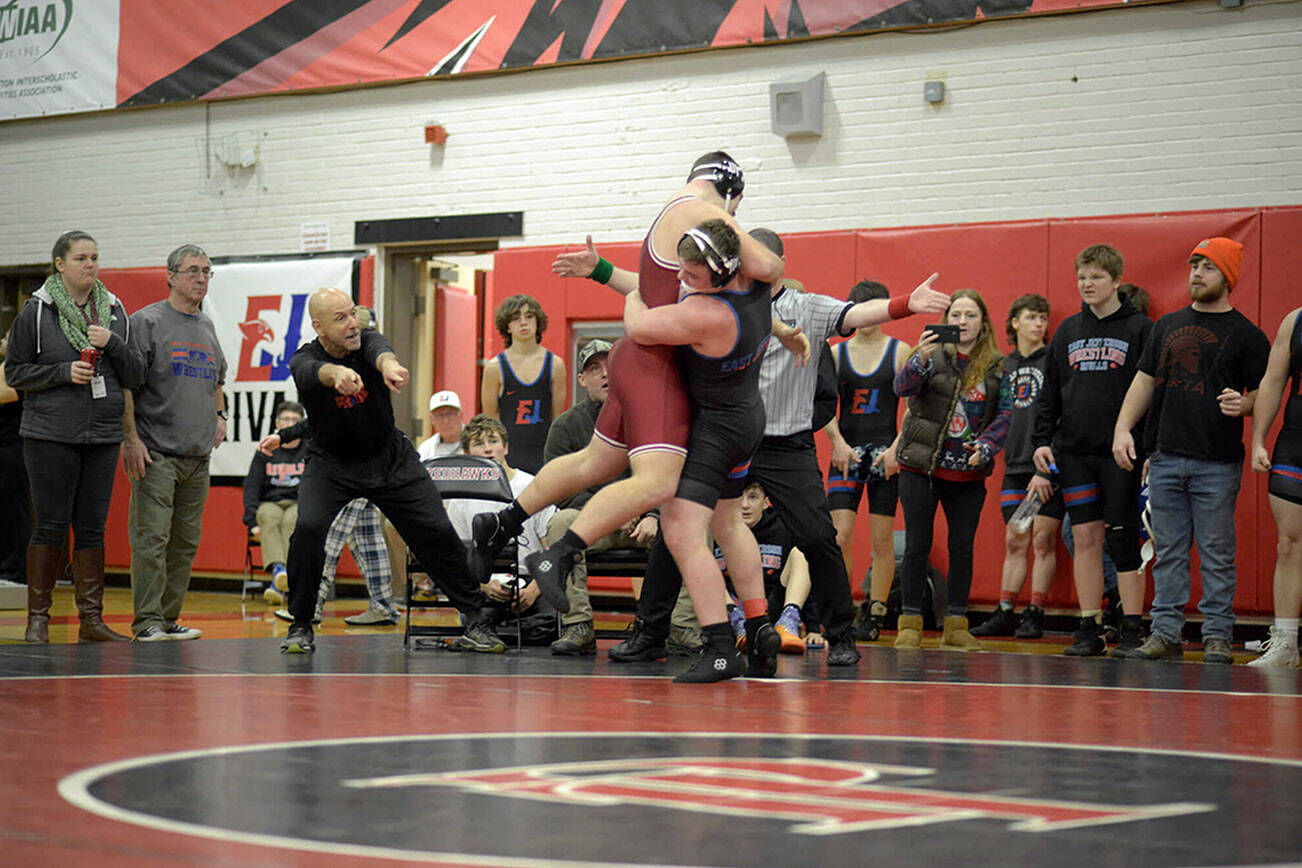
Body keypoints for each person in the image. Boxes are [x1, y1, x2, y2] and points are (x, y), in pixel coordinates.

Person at [592, 228, 949, 669]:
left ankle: (840, 634)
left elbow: (856, 313)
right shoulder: (712, 299)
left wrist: (905, 305)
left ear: (778, 262)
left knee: (819, 536)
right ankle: (651, 633)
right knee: (678, 529)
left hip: (784, 442)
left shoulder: (807, 307)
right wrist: (600, 270)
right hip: (722, 435)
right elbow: (649, 286)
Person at [470, 152, 787, 618]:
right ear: (732, 191)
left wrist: (603, 274)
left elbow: (661, 290)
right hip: (652, 366)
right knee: (656, 483)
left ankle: (501, 522)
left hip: (642, 358)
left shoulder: (683, 218)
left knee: (595, 462)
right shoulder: (705, 214)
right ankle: (557, 556)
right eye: (736, 206)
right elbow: (770, 268)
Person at [279, 287, 502, 654]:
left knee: (434, 529)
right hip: (332, 465)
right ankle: (301, 624)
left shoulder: (366, 340)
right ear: (319, 327)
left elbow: (378, 351)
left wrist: (389, 367)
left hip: (390, 459)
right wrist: (335, 374)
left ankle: (476, 618)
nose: (352, 324)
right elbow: (309, 373)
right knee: (308, 528)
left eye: (352, 314)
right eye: (341, 319)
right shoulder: (305, 359)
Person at [612, 218, 783, 682]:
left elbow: (640, 325)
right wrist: (602, 270)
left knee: (683, 531)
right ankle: (760, 626)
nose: (682, 279)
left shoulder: (707, 314)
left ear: (722, 271)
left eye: (691, 275)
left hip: (716, 429)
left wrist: (631, 296)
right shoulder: (760, 281)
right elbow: (768, 260)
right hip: (747, 416)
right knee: (727, 523)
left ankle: (720, 645)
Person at [1113, 237, 1269, 663]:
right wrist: (1123, 428)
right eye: (1194, 266)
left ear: (1228, 277)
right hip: (1164, 456)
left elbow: (1264, 393)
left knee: (1218, 552)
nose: (1196, 274)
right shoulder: (1166, 326)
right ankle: (1165, 632)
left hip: (1217, 462)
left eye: (1208, 267)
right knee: (1168, 551)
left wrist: (1246, 404)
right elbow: (1144, 380)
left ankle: (1218, 634)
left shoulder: (1247, 335)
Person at [5, 230, 144, 643]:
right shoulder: (36, 312)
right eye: (81, 258)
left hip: (101, 435)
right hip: (49, 434)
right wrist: (62, 373)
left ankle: (91, 620)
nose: (91, 265)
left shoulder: (114, 311)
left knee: (91, 529)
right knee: (48, 526)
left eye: (95, 257)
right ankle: (38, 620)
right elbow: (15, 373)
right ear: (60, 264)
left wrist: (114, 345)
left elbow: (136, 374)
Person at [1031, 243, 1152, 656]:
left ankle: (1133, 627)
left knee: (1123, 538)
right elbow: (1049, 396)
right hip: (1074, 452)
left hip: (1120, 454)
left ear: (1117, 280)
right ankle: (1089, 627)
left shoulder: (1139, 329)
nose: (1087, 284)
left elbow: (1152, 393)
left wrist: (1147, 447)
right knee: (1084, 536)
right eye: (1082, 277)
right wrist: (1042, 443)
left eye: (1097, 277)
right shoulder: (1067, 331)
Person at [891, 289, 1012, 651]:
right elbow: (902, 389)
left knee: (962, 548)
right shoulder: (931, 355)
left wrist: (987, 446)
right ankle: (909, 623)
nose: (962, 322)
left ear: (983, 322)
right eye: (956, 315)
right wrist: (918, 360)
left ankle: (957, 624)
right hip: (921, 467)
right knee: (917, 545)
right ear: (946, 321)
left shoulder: (996, 363)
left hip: (969, 471)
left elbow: (1006, 414)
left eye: (970, 315)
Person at [121, 244, 226, 642]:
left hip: (197, 457)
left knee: (184, 544)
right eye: (193, 271)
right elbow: (126, 388)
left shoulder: (207, 327)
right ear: (171, 276)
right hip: (156, 452)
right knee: (152, 540)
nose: (201, 279)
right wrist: (130, 439)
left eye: (207, 272)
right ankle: (146, 621)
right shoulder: (146, 322)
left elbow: (218, 380)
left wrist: (221, 416)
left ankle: (167, 618)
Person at [539, 338, 663, 656]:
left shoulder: (651, 415)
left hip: (648, 520)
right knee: (560, 524)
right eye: (594, 368)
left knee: (694, 525)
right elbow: (561, 490)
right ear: (582, 379)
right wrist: (612, 513)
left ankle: (682, 629)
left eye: (610, 365)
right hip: (597, 525)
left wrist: (655, 515)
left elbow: (672, 474)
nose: (605, 374)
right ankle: (577, 625)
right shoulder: (565, 427)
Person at [972, 293, 1064, 640]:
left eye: (1043, 318)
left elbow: (1062, 414)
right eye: (1031, 318)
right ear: (1014, 323)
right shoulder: (1002, 365)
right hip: (1015, 466)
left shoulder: (1053, 361)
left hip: (1046, 466)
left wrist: (1047, 469)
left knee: (1042, 539)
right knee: (1016, 538)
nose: (1039, 324)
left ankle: (1036, 612)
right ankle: (1006, 611)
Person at [823, 280, 908, 642]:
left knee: (882, 540)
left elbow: (913, 407)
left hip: (885, 456)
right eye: (860, 305)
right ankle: (841, 610)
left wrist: (897, 449)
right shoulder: (837, 354)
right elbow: (823, 404)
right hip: (847, 452)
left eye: (874, 305)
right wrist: (837, 442)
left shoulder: (900, 351)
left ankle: (875, 612)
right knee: (838, 536)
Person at [257, 422, 402, 626]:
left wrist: (283, 436)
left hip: (350, 466)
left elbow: (322, 419)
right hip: (368, 461)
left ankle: (310, 606)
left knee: (329, 535)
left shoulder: (342, 394)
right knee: (367, 539)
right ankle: (383, 606)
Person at [443, 415, 558, 643]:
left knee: (549, 625)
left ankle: (501, 629)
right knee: (474, 619)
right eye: (478, 444)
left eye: (493, 441)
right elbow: (459, 558)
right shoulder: (459, 499)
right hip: (486, 583)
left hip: (529, 579)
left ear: (505, 447)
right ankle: (498, 628)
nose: (487, 449)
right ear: (468, 455)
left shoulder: (534, 487)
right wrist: (484, 586)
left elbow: (552, 551)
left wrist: (535, 589)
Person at [1248, 306, 1302, 668]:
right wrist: (1258, 441)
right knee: (1288, 543)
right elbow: (1272, 380)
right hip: (1296, 440)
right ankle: (1286, 643)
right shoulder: (1295, 320)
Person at [718, 480, 818, 653]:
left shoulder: (781, 530)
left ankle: (789, 621)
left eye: (753, 498)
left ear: (766, 502)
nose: (744, 505)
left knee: (801, 552)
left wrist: (814, 629)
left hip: (771, 608)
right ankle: (738, 626)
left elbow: (802, 581)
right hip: (733, 611)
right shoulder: (718, 530)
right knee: (704, 561)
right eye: (738, 498)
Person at [480, 295, 565, 474]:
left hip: (544, 456)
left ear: (537, 321)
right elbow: (490, 420)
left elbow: (557, 418)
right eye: (516, 318)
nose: (523, 323)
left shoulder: (555, 365)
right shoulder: (494, 368)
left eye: (528, 316)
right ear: (507, 326)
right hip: (509, 458)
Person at [243, 400, 306, 605]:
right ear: (277, 424)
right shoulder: (266, 450)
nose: (289, 423)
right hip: (272, 501)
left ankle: (277, 584)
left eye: (295, 420)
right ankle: (280, 571)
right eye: (285, 419)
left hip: (299, 502)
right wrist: (251, 521)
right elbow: (251, 486)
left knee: (292, 521)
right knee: (267, 517)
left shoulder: (309, 449)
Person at [0, 333, 30, 590]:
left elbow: (6, 395)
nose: (2, 340)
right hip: (3, 447)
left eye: (9, 337)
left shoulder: (21, 371)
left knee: (13, 508)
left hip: (13, 447)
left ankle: (16, 570)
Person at [416, 390, 464, 461]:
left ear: (460, 415)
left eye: (450, 414)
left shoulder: (477, 443)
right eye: (440, 415)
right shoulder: (426, 449)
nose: (446, 421)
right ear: (432, 419)